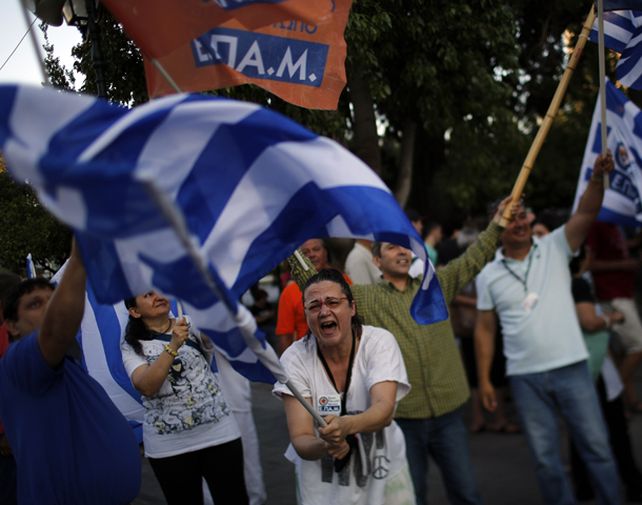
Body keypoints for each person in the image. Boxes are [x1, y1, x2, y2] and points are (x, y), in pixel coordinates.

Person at [289, 196, 515, 505]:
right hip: (403, 417)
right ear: (377, 261)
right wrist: (287, 238)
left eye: (405, 246)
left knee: (466, 491)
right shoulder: (363, 298)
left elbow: (473, 259)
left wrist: (498, 223)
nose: (402, 251)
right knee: (411, 494)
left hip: (449, 411)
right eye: (392, 247)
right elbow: (314, 283)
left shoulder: (433, 286)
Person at [474, 152, 619, 504]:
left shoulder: (555, 245)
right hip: (525, 378)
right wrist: (484, 380)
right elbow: (484, 329)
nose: (520, 222)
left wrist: (597, 179)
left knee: (597, 449)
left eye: (523, 214)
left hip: (571, 367)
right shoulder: (489, 273)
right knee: (545, 461)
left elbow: (585, 212)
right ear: (498, 227)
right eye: (511, 218)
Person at [0, 241, 141, 505]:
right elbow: (56, 327)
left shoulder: (63, 362)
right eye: (35, 304)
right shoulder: (19, 362)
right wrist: (80, 256)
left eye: (53, 299)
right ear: (11, 326)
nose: (49, 307)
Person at [273, 269, 414, 505]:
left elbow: (384, 410)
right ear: (306, 315)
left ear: (352, 307)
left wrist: (346, 425)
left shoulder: (379, 342)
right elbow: (300, 438)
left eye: (333, 302)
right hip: (323, 488)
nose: (324, 311)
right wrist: (325, 444)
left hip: (382, 472)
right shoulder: (294, 358)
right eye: (314, 306)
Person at [121, 291, 248, 505]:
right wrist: (173, 346)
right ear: (134, 311)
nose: (156, 296)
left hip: (218, 434)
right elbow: (147, 386)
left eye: (157, 290)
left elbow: (220, 336)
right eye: (147, 295)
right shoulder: (132, 345)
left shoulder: (189, 323)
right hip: (169, 446)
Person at [586, 220, 642, 413]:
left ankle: (630, 401)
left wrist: (634, 243)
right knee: (638, 346)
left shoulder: (615, 222)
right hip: (611, 294)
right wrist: (624, 264)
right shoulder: (597, 224)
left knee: (621, 352)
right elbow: (589, 263)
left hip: (622, 291)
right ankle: (614, 394)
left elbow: (616, 247)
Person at [275, 239, 350, 355]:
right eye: (305, 252)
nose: (312, 255)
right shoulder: (289, 292)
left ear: (326, 252)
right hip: (308, 358)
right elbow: (285, 335)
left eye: (316, 249)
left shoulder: (344, 281)